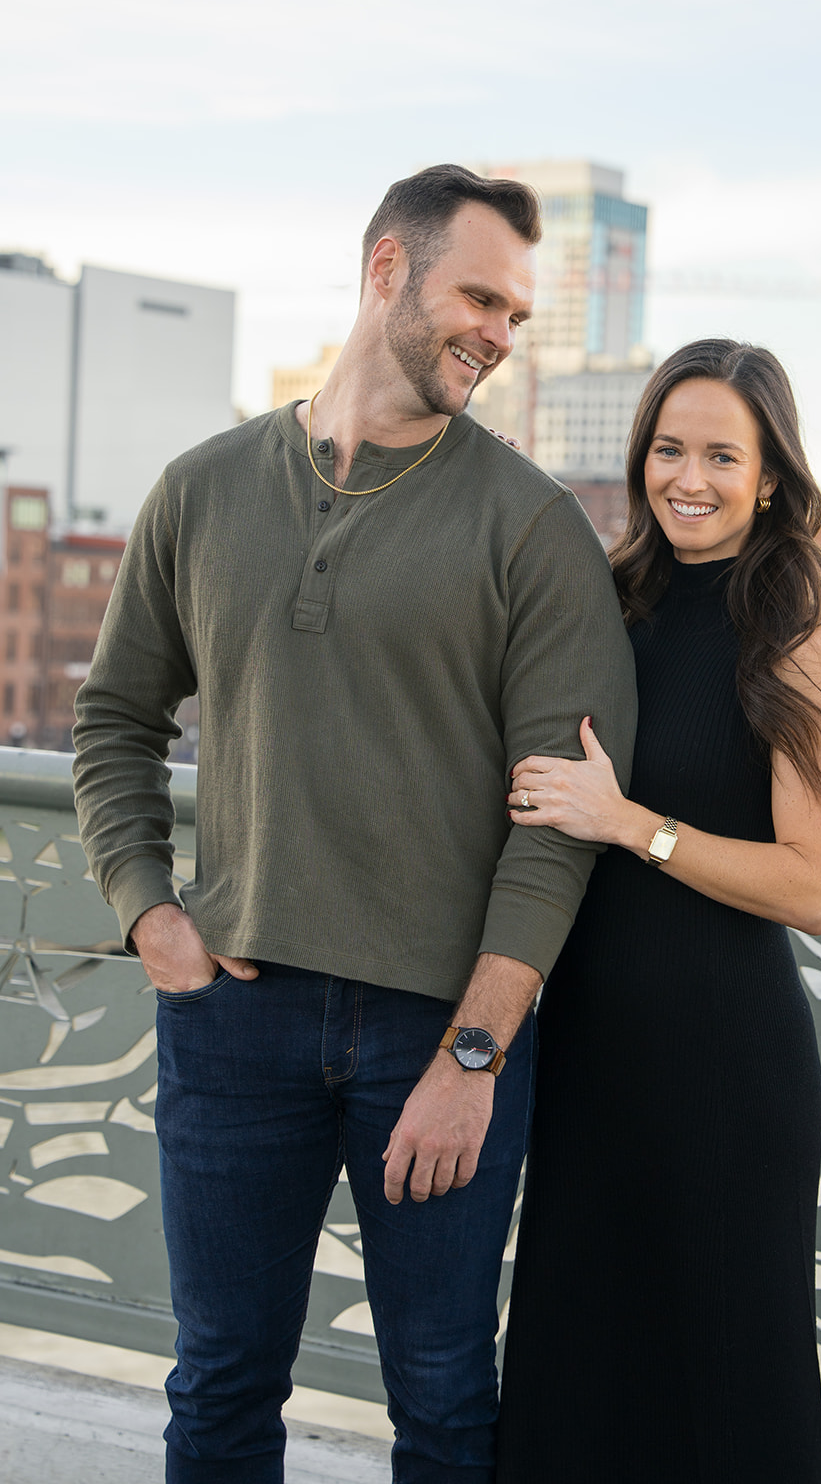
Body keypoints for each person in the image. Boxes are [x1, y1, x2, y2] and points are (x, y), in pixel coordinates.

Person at [72, 164, 637, 1483]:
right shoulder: (202, 489)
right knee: (218, 1386)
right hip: (232, 1012)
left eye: (516, 315)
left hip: (436, 1034)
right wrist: (149, 914)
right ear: (386, 268)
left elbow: (557, 828)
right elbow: (113, 719)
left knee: (441, 1399)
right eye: (478, 296)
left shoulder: (531, 528)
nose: (499, 334)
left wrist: (475, 1054)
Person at [496, 339, 821, 1483]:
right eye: (667, 448)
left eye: (720, 454)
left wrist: (629, 823)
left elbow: (813, 887)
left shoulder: (800, 644)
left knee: (724, 1387)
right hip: (588, 1055)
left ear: (769, 476)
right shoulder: (598, 604)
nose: (688, 478)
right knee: (573, 1374)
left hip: (725, 1069)